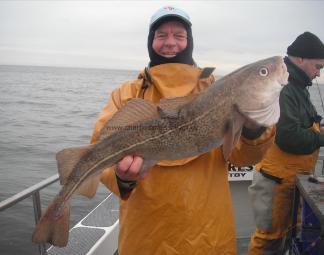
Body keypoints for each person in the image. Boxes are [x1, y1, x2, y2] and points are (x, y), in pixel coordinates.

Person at [90, 6, 276, 255]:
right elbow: (99, 156)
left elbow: (244, 158)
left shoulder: (217, 90)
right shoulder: (126, 94)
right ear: (150, 41)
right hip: (144, 237)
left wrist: (253, 130)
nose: (170, 43)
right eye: (161, 35)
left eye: (179, 35)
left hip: (208, 236)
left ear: (189, 42)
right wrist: (122, 177)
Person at [247, 31, 324, 255]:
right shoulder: (285, 88)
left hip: (290, 180)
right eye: (317, 66)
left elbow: (303, 124)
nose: (318, 73)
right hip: (275, 181)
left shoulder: (299, 88)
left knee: (284, 238)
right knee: (269, 241)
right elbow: (288, 137)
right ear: (300, 59)